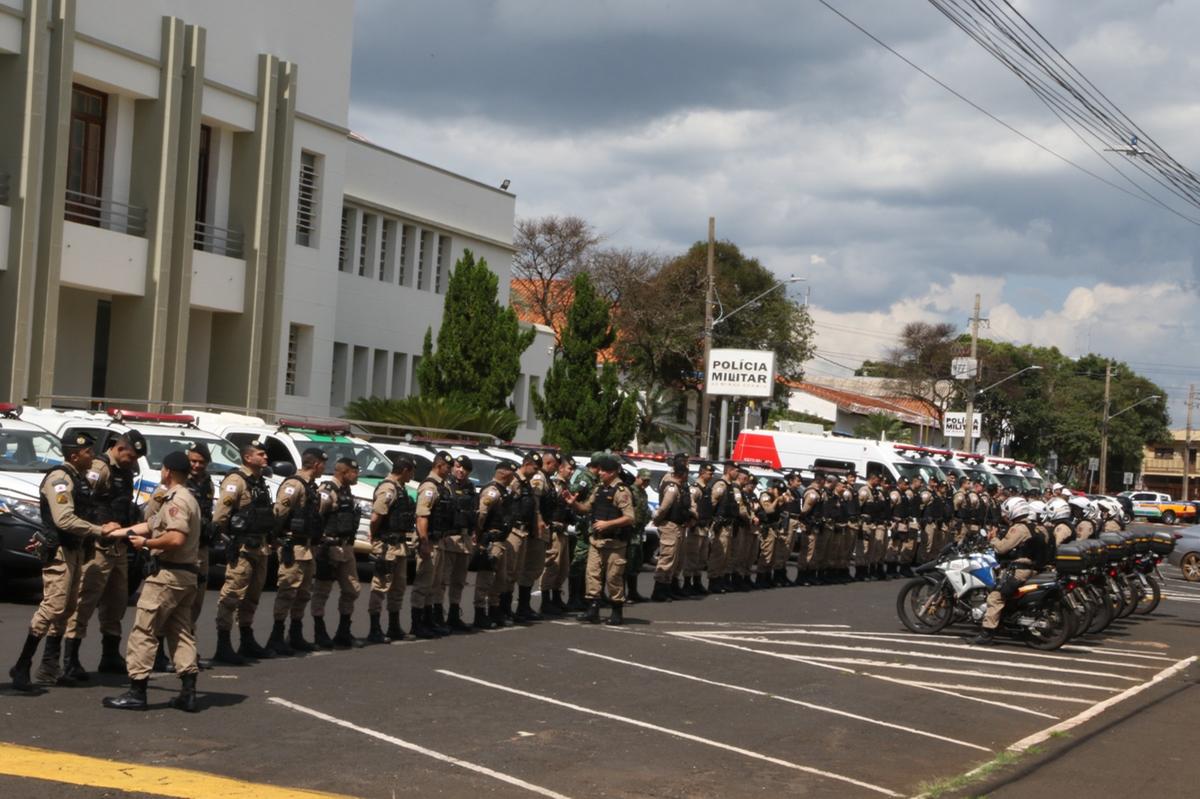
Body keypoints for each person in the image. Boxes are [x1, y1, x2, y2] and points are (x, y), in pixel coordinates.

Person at [10, 433, 123, 692]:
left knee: (68, 607)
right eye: (88, 452)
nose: (92, 456)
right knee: (53, 606)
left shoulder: (79, 478)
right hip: (59, 550)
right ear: (74, 455)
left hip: (75, 550)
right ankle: (22, 665)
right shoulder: (60, 479)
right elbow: (64, 521)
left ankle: (50, 667)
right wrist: (99, 530)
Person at [103, 450, 202, 711]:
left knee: (144, 631)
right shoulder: (184, 497)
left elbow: (175, 538)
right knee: (181, 632)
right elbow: (152, 524)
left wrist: (146, 544)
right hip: (185, 576)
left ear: (167, 471)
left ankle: (137, 691)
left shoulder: (176, 500)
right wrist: (118, 533)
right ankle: (188, 692)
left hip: (168, 576)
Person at [66, 431, 146, 678]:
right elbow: (84, 504)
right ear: (120, 449)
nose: (132, 462)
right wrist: (98, 529)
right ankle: (70, 659)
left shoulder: (125, 471)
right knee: (86, 599)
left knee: (117, 601)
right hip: (99, 545)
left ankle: (109, 655)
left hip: (119, 544)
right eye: (130, 456)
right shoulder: (100, 468)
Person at [211, 440, 278, 665]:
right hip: (242, 548)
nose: (265, 458)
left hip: (260, 547)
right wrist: (226, 538)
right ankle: (223, 644)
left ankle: (246, 640)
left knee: (252, 597)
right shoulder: (235, 481)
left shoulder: (259, 482)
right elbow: (221, 515)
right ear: (248, 458)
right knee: (232, 596)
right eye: (261, 454)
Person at [270, 448, 331, 654]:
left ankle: (295, 634)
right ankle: (276, 636)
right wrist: (274, 539)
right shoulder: (294, 484)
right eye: (323, 464)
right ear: (316, 465)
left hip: (307, 547)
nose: (324, 467)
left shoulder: (311, 486)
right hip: (293, 547)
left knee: (303, 593)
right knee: (287, 591)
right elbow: (279, 512)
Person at [566, 455, 634, 625]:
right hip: (596, 541)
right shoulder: (598, 489)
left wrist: (607, 524)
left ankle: (616, 611)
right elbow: (586, 508)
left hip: (614, 543)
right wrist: (573, 504)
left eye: (603, 471)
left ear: (611, 472)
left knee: (613, 578)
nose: (600, 473)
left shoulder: (621, 491)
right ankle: (592, 610)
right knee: (592, 576)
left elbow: (629, 517)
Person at [974, 496, 1048, 646]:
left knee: (995, 597)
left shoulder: (1019, 529)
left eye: (1006, 512)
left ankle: (987, 633)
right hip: (1035, 569)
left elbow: (1002, 548)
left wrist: (993, 539)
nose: (1004, 515)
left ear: (1015, 511)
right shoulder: (1038, 527)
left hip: (1019, 571)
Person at [311, 457, 365, 648]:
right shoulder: (328, 489)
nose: (357, 475)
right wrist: (320, 545)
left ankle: (343, 632)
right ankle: (319, 632)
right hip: (330, 548)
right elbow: (317, 516)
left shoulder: (346, 490)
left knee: (352, 589)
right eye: (354, 471)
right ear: (344, 472)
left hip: (346, 548)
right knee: (322, 591)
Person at [367, 456, 416, 643]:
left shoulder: (400, 488)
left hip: (399, 546)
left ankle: (394, 626)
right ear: (405, 470)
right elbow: (375, 518)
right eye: (411, 471)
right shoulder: (388, 488)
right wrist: (375, 537)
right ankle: (374, 628)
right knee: (380, 586)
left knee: (398, 587)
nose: (412, 475)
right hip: (387, 545)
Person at [412, 451, 455, 638]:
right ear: (439, 466)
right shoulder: (429, 487)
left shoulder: (443, 485)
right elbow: (422, 516)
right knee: (423, 584)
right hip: (430, 541)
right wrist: (424, 542)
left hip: (440, 540)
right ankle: (417, 624)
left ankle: (428, 621)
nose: (450, 470)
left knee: (434, 584)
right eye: (448, 466)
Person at [435, 455, 477, 632]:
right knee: (442, 580)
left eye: (465, 468)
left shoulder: (470, 487)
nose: (461, 471)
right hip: (449, 538)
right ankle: (437, 615)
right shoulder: (445, 485)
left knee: (459, 581)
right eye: (458, 466)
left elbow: (474, 512)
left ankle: (453, 614)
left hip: (464, 538)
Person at [475, 459, 519, 628]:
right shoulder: (493, 491)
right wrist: (479, 536)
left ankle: (494, 612)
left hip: (502, 541)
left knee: (499, 580)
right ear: (505, 473)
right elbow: (481, 515)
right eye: (511, 475)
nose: (513, 478)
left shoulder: (504, 491)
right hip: (491, 541)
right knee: (486, 579)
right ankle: (480, 613)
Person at [509, 453, 546, 623]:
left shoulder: (526, 483)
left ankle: (521, 608)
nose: (536, 472)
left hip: (525, 531)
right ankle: (504, 609)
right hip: (513, 531)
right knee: (509, 572)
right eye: (535, 468)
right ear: (527, 464)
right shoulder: (514, 481)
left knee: (518, 571)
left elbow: (533, 507)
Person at [652, 454, 695, 601]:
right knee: (667, 558)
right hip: (670, 525)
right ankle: (659, 591)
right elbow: (664, 508)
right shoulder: (672, 486)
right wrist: (657, 521)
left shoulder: (681, 486)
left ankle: (668, 587)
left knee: (676, 559)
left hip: (679, 526)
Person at [565, 453, 602, 611]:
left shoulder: (594, 480)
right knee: (579, 561)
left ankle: (582, 596)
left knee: (588, 563)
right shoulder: (585, 479)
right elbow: (574, 494)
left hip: (591, 525)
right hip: (583, 526)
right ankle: (574, 598)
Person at [539, 454, 575, 614]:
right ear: (560, 468)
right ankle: (546, 601)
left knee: (563, 568)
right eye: (569, 468)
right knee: (552, 565)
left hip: (564, 530)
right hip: (554, 530)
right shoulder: (555, 485)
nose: (572, 471)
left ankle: (556, 597)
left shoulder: (567, 486)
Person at [684, 461, 716, 595]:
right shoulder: (695, 488)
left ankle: (697, 582)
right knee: (692, 557)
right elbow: (690, 506)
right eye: (709, 473)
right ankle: (687, 584)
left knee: (701, 558)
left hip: (705, 528)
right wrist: (693, 519)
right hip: (695, 528)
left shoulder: (707, 488)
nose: (711, 476)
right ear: (702, 473)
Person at [627, 468, 651, 603]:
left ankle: (633, 592)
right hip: (631, 531)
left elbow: (645, 510)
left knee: (636, 562)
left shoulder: (643, 493)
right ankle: (624, 593)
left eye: (647, 481)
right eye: (643, 480)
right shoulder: (631, 491)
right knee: (628, 562)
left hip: (639, 531)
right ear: (637, 477)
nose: (645, 483)